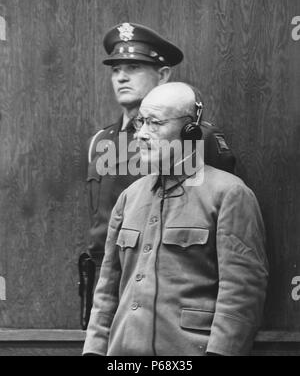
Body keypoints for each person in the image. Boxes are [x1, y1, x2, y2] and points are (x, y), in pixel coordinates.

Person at [83, 82, 268, 356]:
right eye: (140, 122)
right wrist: (94, 352)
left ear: (189, 130)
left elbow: (241, 294)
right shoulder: (129, 197)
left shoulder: (229, 194)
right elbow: (107, 291)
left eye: (155, 123)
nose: (142, 134)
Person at [80, 22, 235, 329]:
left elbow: (218, 225)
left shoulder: (197, 138)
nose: (121, 76)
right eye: (116, 69)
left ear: (163, 75)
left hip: (172, 299)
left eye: (133, 67)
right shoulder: (101, 142)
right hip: (111, 292)